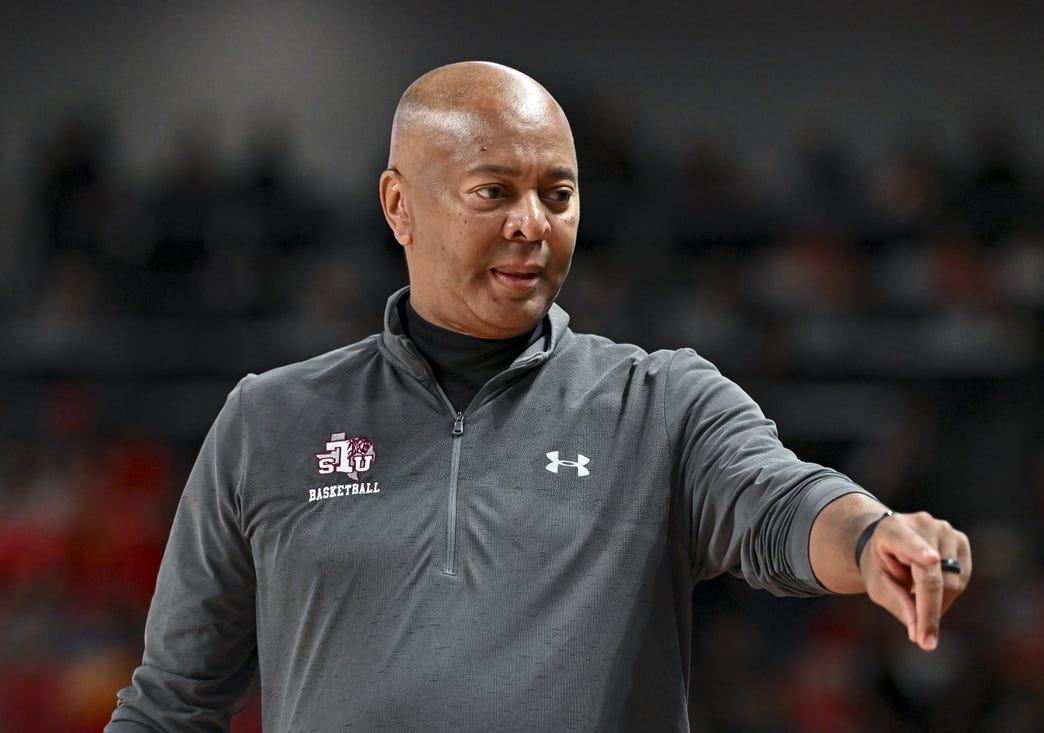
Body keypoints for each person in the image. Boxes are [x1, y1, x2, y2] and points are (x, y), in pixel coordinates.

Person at [107, 61, 970, 732]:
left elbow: (780, 502)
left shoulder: (660, 402)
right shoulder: (269, 419)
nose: (534, 223)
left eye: (558, 194)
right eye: (494, 192)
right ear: (399, 206)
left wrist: (872, 537)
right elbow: (174, 702)